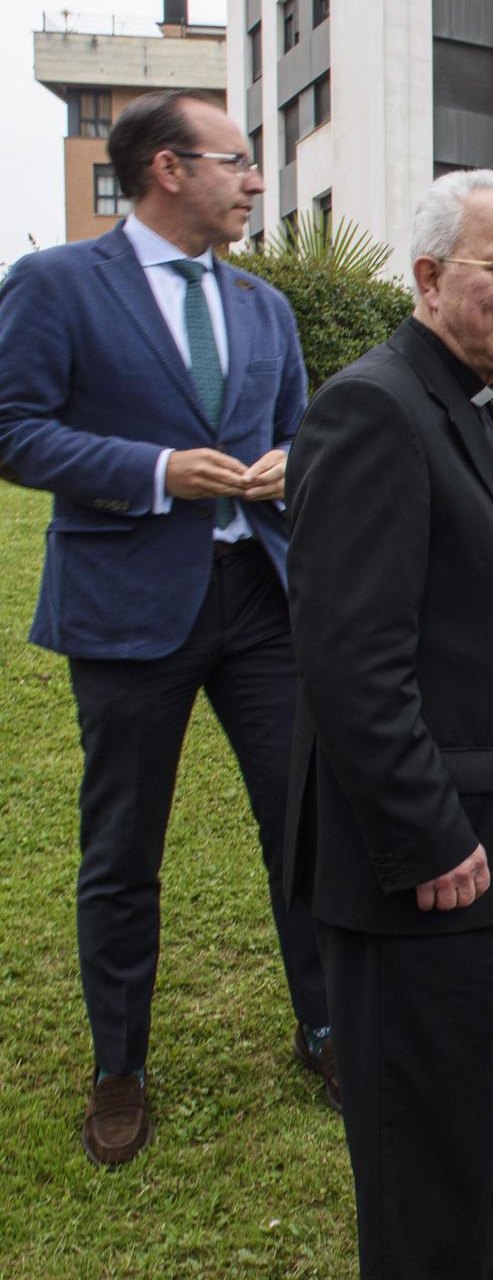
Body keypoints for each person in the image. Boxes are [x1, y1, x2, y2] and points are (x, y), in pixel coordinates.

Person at [283, 170, 493, 1278]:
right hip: (434, 882)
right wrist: (427, 835)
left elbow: (460, 603)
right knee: (428, 1187)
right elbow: (347, 659)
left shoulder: (456, 396)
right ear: (428, 277)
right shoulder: (373, 407)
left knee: (475, 1159)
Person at [0, 90, 332, 1166]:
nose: (253, 182)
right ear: (167, 169)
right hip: (128, 606)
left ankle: (327, 1028)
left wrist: (296, 465)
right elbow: (14, 430)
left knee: (305, 825)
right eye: (237, 162)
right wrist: (151, 472)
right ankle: (120, 1065)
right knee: (122, 847)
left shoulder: (266, 307)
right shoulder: (54, 285)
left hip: (264, 604)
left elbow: (303, 430)